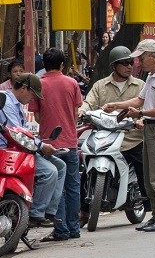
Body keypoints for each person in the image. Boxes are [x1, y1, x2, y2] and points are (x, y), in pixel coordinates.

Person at [103, 39, 155, 232]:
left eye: (141, 58)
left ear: (153, 56)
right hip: (149, 129)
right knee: (149, 176)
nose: (137, 63)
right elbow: (139, 99)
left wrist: (140, 113)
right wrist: (116, 105)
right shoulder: (151, 77)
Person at [78, 46, 146, 226]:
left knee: (143, 168)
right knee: (85, 171)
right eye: (125, 63)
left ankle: (150, 209)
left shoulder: (141, 86)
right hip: (104, 137)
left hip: (131, 138)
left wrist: (141, 118)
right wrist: (82, 112)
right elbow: (88, 103)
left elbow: (147, 108)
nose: (129, 66)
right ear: (114, 66)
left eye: (131, 62)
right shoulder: (100, 86)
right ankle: (84, 211)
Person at [27, 48, 82, 242]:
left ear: (44, 65)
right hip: (70, 140)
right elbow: (75, 113)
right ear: (61, 65)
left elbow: (37, 115)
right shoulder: (72, 82)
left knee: (57, 186)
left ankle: (61, 229)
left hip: (49, 143)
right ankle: (74, 228)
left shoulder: (39, 85)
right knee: (73, 186)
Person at [1, 73, 67, 228]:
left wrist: (40, 145)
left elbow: (23, 133)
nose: (33, 99)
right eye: (33, 94)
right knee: (50, 172)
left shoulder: (16, 104)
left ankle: (49, 212)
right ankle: (36, 213)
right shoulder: (6, 102)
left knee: (61, 166)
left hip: (22, 148)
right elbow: (16, 132)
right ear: (24, 88)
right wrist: (42, 146)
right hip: (10, 150)